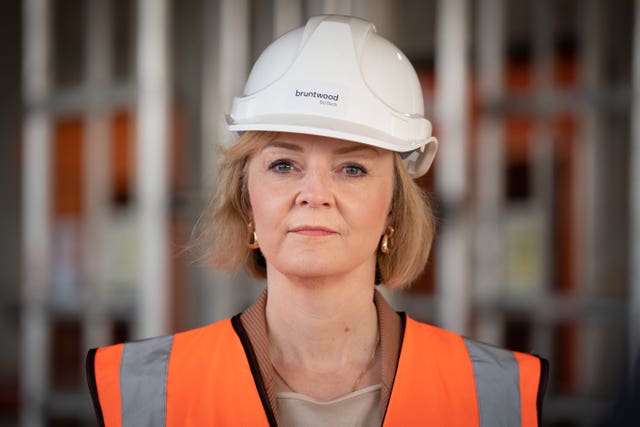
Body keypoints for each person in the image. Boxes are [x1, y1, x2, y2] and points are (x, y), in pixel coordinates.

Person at [86, 15, 548, 426]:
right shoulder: (146, 389)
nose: (314, 195)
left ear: (394, 206)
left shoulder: (495, 392)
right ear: (247, 201)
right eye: (284, 165)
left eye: (352, 169)